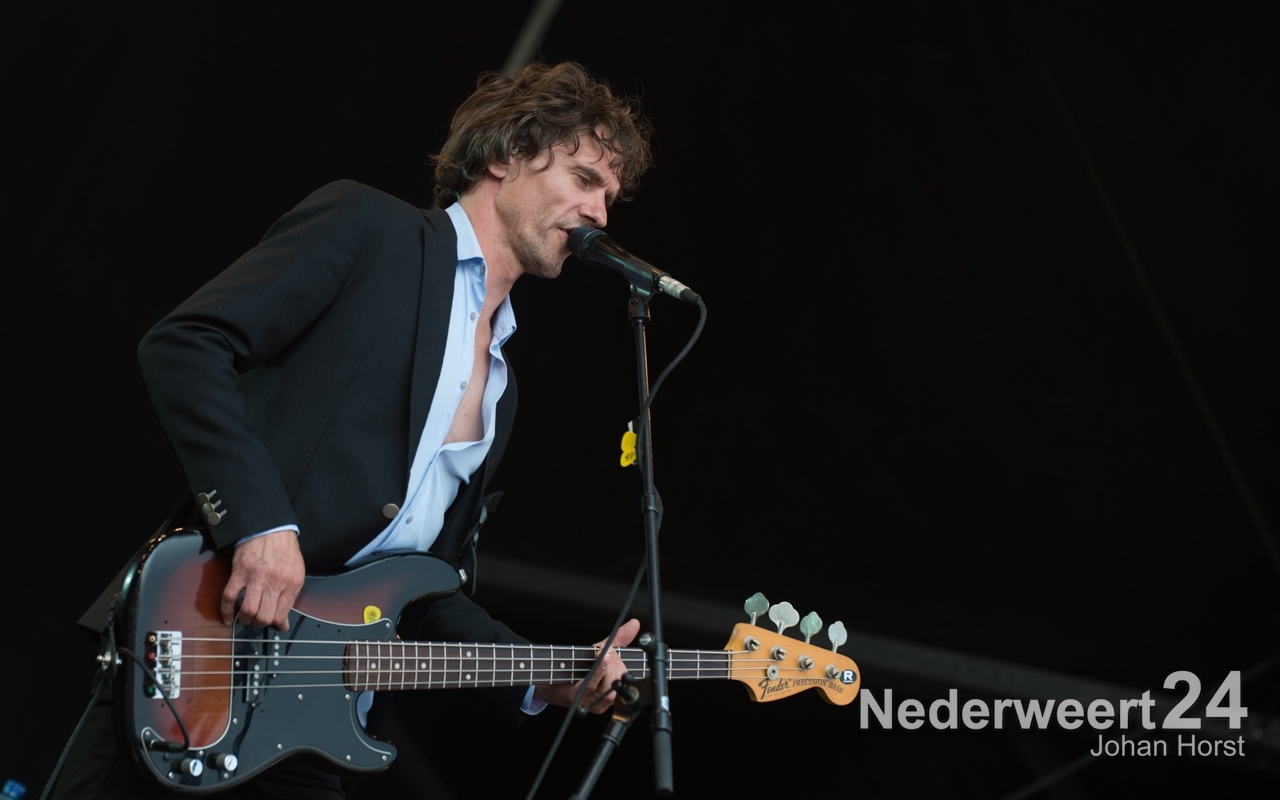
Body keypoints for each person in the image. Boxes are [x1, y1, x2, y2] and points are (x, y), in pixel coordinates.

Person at [48, 59, 656, 799]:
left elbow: (422, 583)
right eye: (585, 179)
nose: (601, 214)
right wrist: (260, 522)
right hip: (205, 644)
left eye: (611, 196)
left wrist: (540, 676)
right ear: (505, 156)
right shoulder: (372, 228)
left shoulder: (503, 384)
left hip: (316, 722)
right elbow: (186, 344)